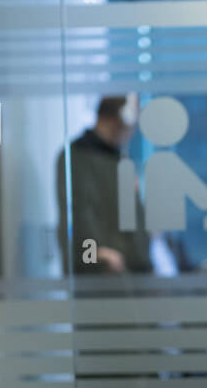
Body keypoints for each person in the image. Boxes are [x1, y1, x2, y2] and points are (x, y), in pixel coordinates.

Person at [55, 95, 153, 277]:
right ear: (121, 120)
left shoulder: (117, 159)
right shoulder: (78, 156)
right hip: (105, 274)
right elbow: (79, 213)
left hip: (130, 271)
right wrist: (96, 259)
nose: (133, 131)